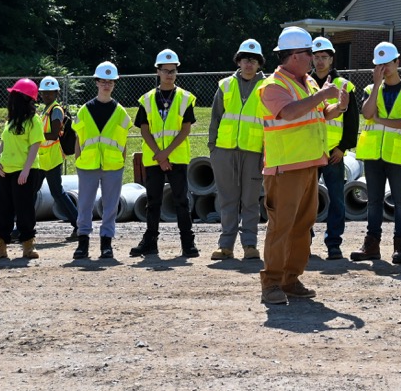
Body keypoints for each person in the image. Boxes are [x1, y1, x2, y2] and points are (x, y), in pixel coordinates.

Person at [256, 26, 347, 305]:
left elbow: (319, 113)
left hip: (309, 164)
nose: (313, 58)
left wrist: (338, 107)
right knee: (281, 226)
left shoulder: (307, 83)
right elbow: (289, 112)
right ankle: (271, 282)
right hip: (285, 168)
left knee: (302, 225)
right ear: (294, 56)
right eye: (309, 53)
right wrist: (322, 96)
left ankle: (290, 279)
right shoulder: (272, 86)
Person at [350, 41, 401, 265]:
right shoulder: (370, 90)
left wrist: (379, 119)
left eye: (387, 63)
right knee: (374, 201)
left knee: (400, 202)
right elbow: (367, 113)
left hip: (398, 155)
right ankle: (371, 245)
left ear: (397, 62)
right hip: (373, 154)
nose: (384, 68)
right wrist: (377, 84)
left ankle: (400, 246)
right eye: (379, 65)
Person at [130, 49, 199, 259]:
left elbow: (185, 129)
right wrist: (159, 155)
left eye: (173, 71)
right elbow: (144, 129)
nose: (170, 74)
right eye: (165, 70)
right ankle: (150, 242)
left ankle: (188, 243)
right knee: (153, 201)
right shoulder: (147, 99)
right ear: (157, 72)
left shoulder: (185, 98)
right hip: (155, 158)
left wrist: (165, 154)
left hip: (176, 157)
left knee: (181, 201)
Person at [208, 38, 267, 261]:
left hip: (253, 151)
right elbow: (215, 117)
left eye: (253, 60)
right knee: (228, 199)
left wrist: (266, 152)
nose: (248, 64)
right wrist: (213, 147)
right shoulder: (225, 85)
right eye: (244, 59)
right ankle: (226, 245)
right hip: (224, 150)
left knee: (250, 200)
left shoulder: (267, 86)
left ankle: (250, 245)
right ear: (238, 61)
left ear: (259, 63)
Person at [73, 61, 130, 261]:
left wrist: (121, 163)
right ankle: (83, 242)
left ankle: (106, 243)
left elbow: (124, 142)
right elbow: (78, 139)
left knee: (110, 205)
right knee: (84, 205)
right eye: (103, 81)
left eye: (110, 82)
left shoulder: (121, 112)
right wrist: (78, 158)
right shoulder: (84, 110)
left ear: (114, 84)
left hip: (113, 165)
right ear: (96, 82)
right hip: (88, 164)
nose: (106, 85)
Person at [312, 36, 359, 260]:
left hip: (333, 153)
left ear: (331, 59)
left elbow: (352, 122)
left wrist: (343, 148)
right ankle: (305, 240)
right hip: (309, 151)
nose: (320, 61)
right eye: (316, 57)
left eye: (324, 57)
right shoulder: (304, 83)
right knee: (307, 200)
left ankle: (334, 243)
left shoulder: (345, 86)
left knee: (337, 199)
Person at [0, 78, 45, 261]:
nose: (10, 99)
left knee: (24, 208)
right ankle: (1, 245)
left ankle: (28, 244)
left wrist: (26, 171)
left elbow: (35, 146)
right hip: (6, 170)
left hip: (25, 171)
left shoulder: (34, 120)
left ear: (22, 98)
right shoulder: (11, 121)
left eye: (14, 95)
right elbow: (3, 143)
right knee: (3, 208)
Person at [33, 75, 79, 240]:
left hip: (51, 158)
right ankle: (23, 228)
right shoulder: (46, 109)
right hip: (42, 158)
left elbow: (53, 134)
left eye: (50, 93)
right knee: (33, 193)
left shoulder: (56, 110)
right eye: (44, 93)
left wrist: (34, 136)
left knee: (57, 193)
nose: (46, 95)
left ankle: (79, 224)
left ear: (56, 93)